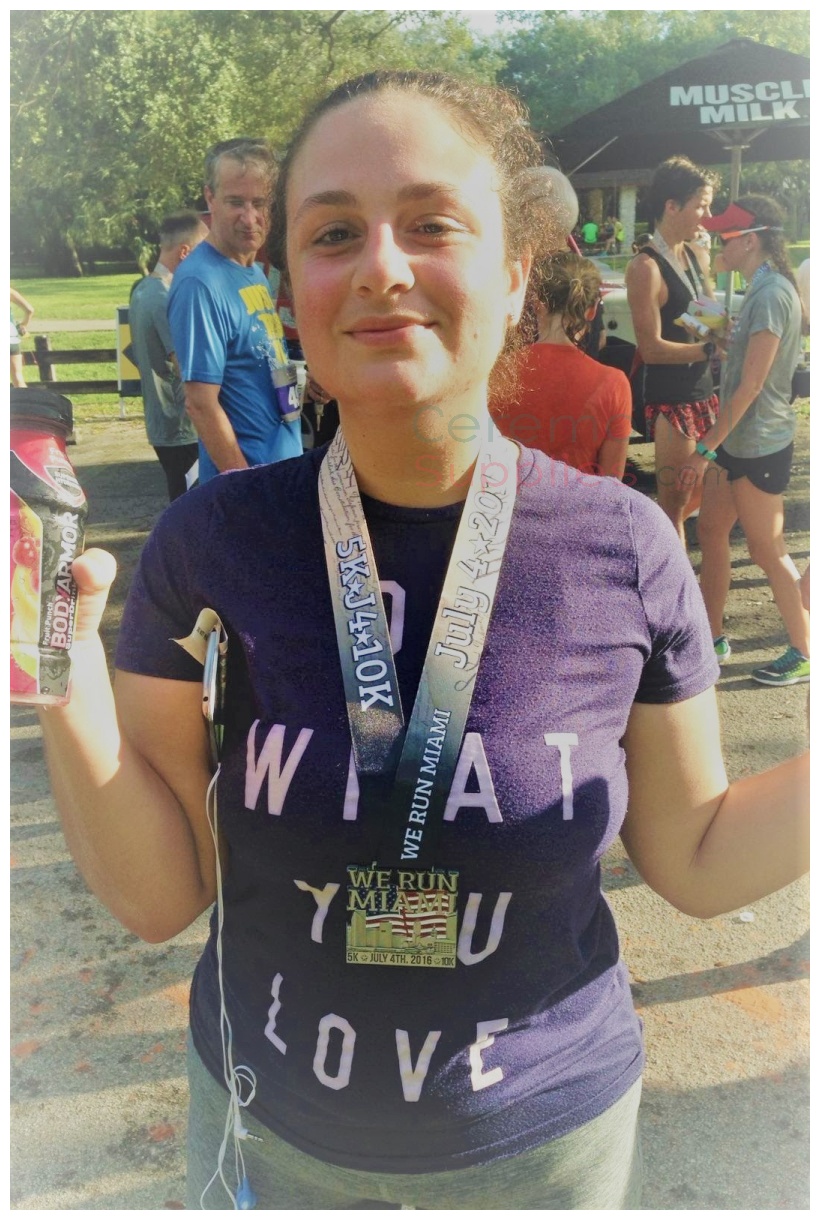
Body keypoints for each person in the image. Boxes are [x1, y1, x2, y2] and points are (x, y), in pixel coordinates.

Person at [35, 72, 808, 1211]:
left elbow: (694, 853)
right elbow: (158, 896)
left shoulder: (624, 545)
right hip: (271, 1133)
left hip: (543, 1148)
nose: (382, 266)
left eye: (431, 223)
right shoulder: (211, 540)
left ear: (511, 268)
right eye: (334, 232)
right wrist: (50, 656)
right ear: (290, 290)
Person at [691, 197, 809, 686]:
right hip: (740, 441)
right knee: (711, 532)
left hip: (757, 442)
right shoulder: (759, 289)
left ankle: (804, 651)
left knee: (767, 550)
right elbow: (745, 362)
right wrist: (722, 333)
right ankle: (711, 637)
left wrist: (705, 445)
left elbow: (753, 385)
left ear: (752, 240)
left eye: (726, 238)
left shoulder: (771, 293)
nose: (720, 244)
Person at [167, 138, 302, 483]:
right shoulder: (200, 282)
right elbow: (200, 404)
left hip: (281, 469)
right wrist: (244, 490)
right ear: (209, 198)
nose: (250, 217)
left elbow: (254, 362)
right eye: (235, 202)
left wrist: (305, 383)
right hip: (250, 486)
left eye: (260, 203)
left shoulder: (253, 272)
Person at [625, 155, 721, 545]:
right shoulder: (644, 267)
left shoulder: (692, 255)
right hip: (673, 403)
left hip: (704, 394)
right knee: (674, 510)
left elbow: (705, 324)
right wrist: (708, 352)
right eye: (701, 204)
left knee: (704, 500)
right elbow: (651, 349)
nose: (707, 214)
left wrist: (707, 266)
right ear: (671, 206)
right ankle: (674, 597)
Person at [493, 251, 632, 479]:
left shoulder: (498, 371)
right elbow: (612, 485)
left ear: (536, 303)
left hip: (506, 509)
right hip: (581, 510)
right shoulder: (613, 384)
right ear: (592, 311)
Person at [129, 211, 209, 501]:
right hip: (181, 426)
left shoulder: (142, 290)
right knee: (191, 505)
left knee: (182, 501)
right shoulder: (165, 298)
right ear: (186, 252)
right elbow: (186, 367)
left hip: (161, 422)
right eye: (205, 251)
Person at [10, 286, 34, 387]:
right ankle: (25, 401)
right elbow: (29, 310)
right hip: (11, 337)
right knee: (18, 377)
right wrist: (23, 324)